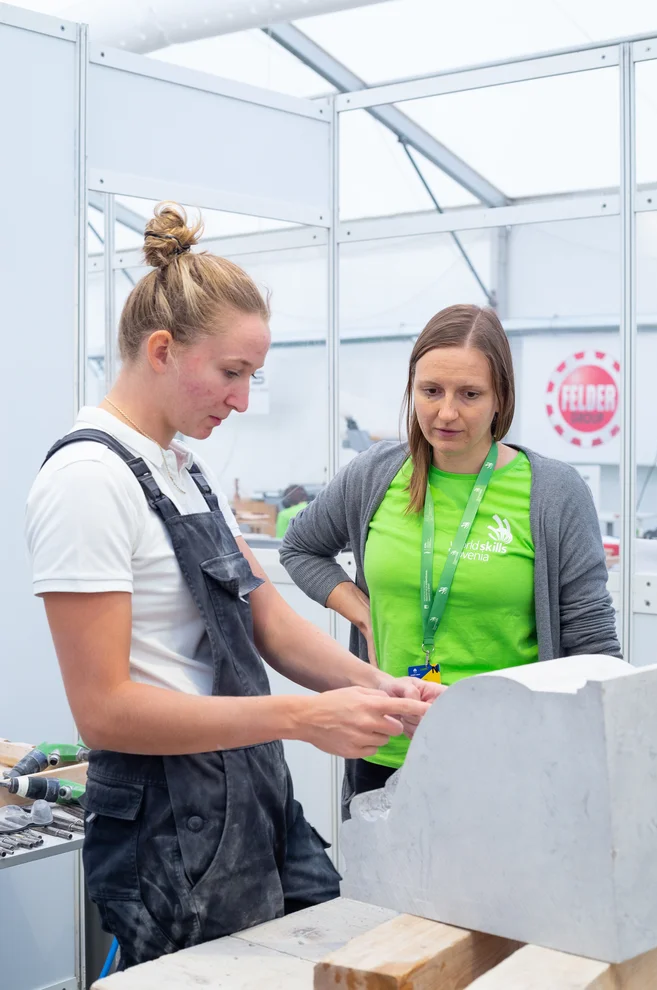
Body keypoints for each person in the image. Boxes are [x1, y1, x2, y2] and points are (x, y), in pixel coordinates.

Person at [25, 203, 431, 970]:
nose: (244, 399)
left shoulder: (182, 470)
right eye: (232, 373)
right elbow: (104, 710)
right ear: (161, 349)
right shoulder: (88, 479)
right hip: (166, 829)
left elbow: (268, 621)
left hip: (251, 796)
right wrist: (306, 718)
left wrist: (378, 689)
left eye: (253, 376)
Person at [280, 304, 621, 816]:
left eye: (470, 394)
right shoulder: (376, 475)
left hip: (510, 761)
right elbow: (300, 548)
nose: (446, 413)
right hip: (387, 750)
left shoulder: (552, 492)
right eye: (431, 391)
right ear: (412, 389)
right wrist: (360, 609)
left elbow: (594, 650)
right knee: (385, 897)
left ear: (500, 396)